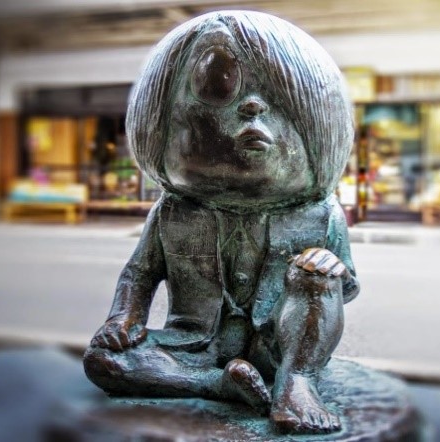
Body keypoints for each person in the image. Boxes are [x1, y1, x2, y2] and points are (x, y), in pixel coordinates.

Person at [83, 11, 359, 434]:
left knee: (317, 277)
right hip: (194, 344)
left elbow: (346, 288)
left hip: (277, 347)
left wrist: (327, 272)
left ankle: (297, 383)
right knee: (104, 361)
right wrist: (123, 318)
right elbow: (139, 273)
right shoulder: (173, 212)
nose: (253, 106)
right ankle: (217, 385)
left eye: (278, 101)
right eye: (222, 88)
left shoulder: (320, 214)